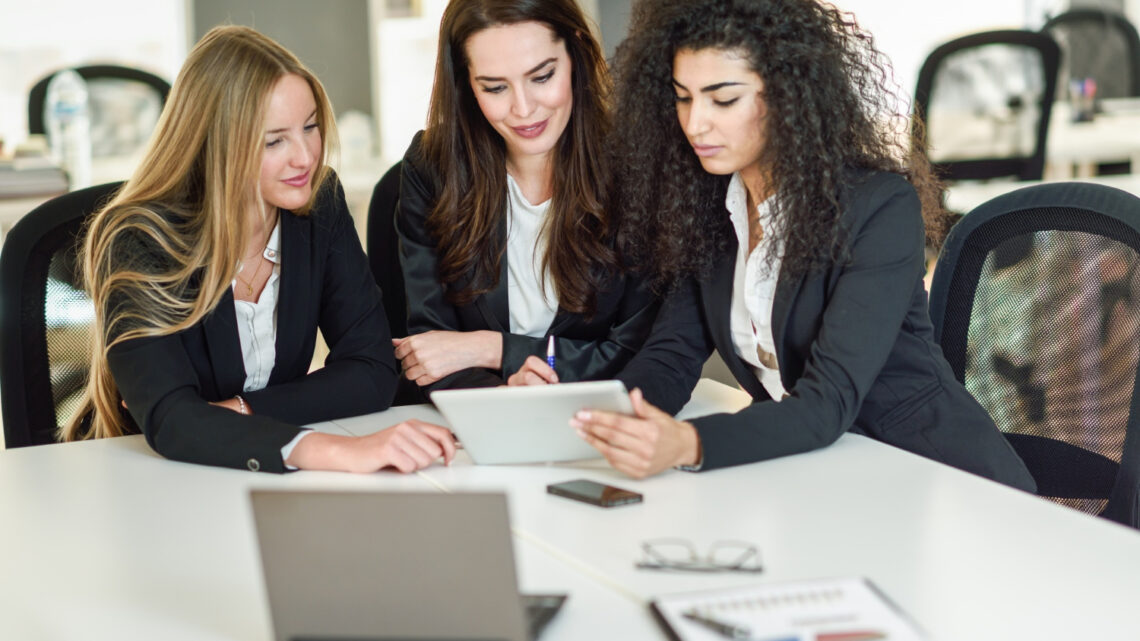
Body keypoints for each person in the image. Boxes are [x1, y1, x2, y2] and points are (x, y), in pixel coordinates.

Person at [571, 0, 1036, 490]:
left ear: (787, 96)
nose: (695, 123)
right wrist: (599, 420)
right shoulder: (709, 208)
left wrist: (689, 444)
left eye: (722, 99)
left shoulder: (877, 208)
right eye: (683, 98)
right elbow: (672, 354)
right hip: (817, 471)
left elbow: (827, 401)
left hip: (933, 477)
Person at [61, 26, 455, 474]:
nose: (305, 157)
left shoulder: (318, 205)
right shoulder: (138, 240)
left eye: (310, 128)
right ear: (215, 146)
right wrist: (335, 450)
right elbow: (173, 419)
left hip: (262, 480)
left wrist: (240, 410)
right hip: (151, 476)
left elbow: (371, 369)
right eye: (274, 141)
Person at [393, 0, 658, 392]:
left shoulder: (638, 168)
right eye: (495, 87)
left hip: (604, 419)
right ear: (466, 83)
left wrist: (497, 349)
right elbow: (431, 349)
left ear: (576, 54)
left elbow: (642, 354)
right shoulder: (432, 167)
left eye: (542, 76)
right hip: (477, 425)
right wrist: (501, 397)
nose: (523, 108)